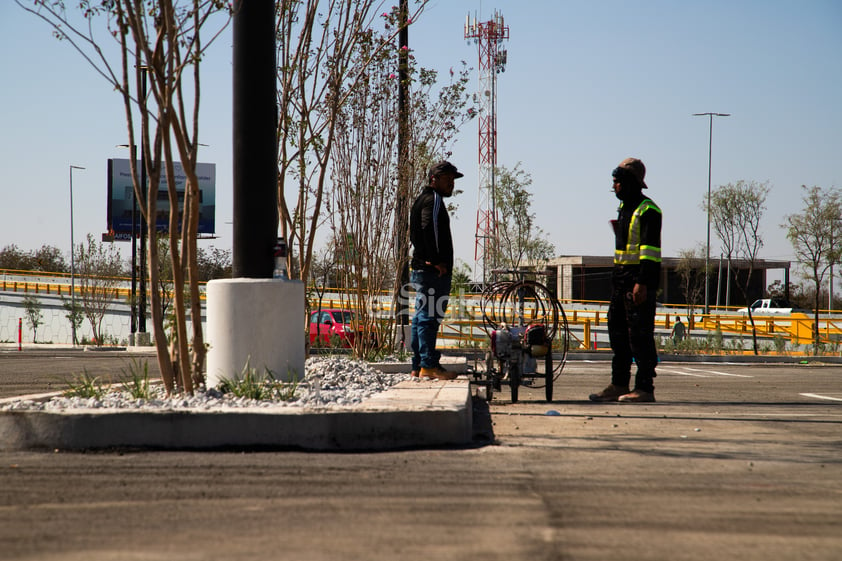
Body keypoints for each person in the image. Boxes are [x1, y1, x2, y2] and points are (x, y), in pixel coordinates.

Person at [590, 157, 662, 403]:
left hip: (638, 282)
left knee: (639, 336)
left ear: (631, 182)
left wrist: (641, 283)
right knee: (618, 334)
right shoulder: (624, 210)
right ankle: (619, 384)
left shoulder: (649, 210)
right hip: (620, 281)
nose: (614, 186)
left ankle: (644, 388)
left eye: (618, 181)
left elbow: (650, 253)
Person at [409, 161, 463, 380]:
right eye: (447, 179)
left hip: (424, 268)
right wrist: (435, 261)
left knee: (421, 317)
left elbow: (417, 234)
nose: (451, 184)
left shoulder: (422, 200)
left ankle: (418, 366)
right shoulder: (434, 201)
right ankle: (429, 365)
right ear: (434, 179)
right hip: (433, 271)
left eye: (453, 180)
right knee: (428, 318)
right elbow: (427, 229)